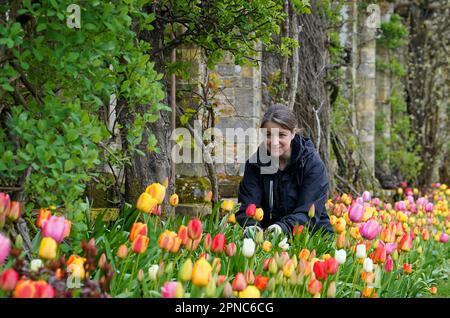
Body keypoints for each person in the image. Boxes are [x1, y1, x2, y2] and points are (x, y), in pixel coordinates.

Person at [236, 104, 333, 237]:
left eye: (281, 135)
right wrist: (252, 228)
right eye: (269, 135)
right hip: (267, 240)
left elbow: (308, 211)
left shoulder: (311, 164)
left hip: (310, 238)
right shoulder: (255, 165)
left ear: (293, 133)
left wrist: (283, 228)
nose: (274, 142)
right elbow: (248, 205)